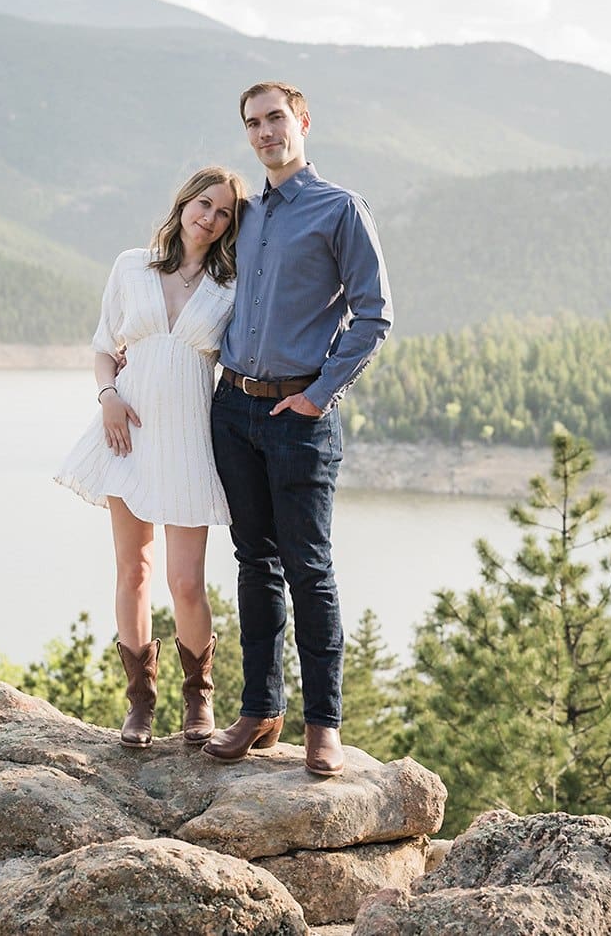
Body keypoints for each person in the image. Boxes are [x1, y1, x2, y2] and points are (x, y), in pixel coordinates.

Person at [202, 81, 392, 777]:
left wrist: (317, 395)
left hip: (298, 416)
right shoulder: (243, 213)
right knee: (255, 563)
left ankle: (324, 725)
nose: (264, 132)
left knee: (310, 569)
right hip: (234, 409)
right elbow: (193, 279)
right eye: (252, 123)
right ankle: (259, 708)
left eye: (275, 117)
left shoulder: (340, 209)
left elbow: (374, 315)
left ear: (303, 120)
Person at [54, 166, 247, 749]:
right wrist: (108, 396)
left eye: (222, 214)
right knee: (132, 570)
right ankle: (140, 703)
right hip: (127, 435)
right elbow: (102, 346)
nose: (208, 218)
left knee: (186, 582)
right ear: (184, 202)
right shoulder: (131, 266)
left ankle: (199, 697)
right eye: (203, 204)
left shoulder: (231, 285)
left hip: (188, 441)